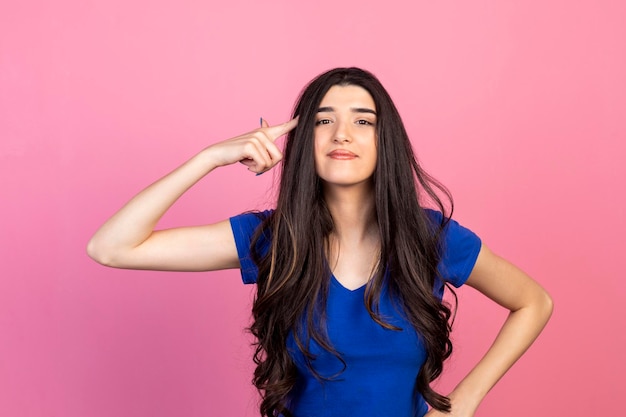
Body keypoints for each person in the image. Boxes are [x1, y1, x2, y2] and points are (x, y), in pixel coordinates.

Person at [87, 67, 553, 417]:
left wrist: (463, 402)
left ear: (383, 141)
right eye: (322, 121)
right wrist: (210, 157)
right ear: (302, 140)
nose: (342, 134)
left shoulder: (432, 237)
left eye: (363, 122)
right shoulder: (271, 238)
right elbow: (111, 247)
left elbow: (534, 301)